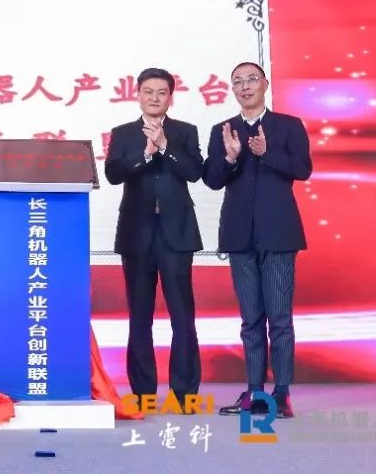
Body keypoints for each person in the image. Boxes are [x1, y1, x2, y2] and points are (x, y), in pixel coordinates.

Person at [203, 62, 312, 419]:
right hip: (239, 237)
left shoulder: (289, 126)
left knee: (279, 318)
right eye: (238, 81)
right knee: (250, 320)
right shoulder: (223, 130)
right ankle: (253, 392)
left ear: (265, 84)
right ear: (232, 90)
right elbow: (213, 180)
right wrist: (231, 157)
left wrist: (267, 153)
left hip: (278, 235)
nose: (245, 86)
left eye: (251, 79)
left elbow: (303, 169)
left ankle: (281, 394)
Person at [105, 67, 206, 405]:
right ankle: (143, 392)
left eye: (161, 92)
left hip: (177, 234)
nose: (154, 98)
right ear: (137, 95)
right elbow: (113, 173)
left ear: (170, 97)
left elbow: (195, 172)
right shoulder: (123, 133)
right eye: (148, 91)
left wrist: (165, 147)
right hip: (137, 233)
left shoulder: (185, 131)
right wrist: (146, 154)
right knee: (139, 316)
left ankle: (185, 393)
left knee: (183, 316)